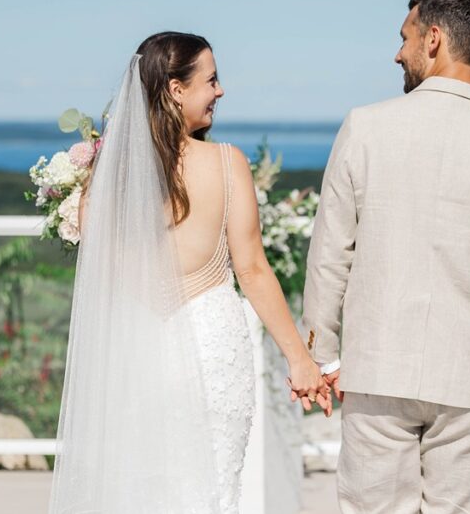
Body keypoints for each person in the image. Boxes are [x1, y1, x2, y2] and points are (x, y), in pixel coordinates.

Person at [48, 31, 330, 514]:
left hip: (135, 352)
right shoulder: (226, 163)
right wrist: (300, 360)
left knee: (139, 493)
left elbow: (107, 277)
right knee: (213, 494)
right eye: (212, 80)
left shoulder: (106, 176)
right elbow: (253, 270)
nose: (220, 91)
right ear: (177, 90)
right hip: (210, 348)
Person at [303, 0, 470, 514]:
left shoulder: (364, 128)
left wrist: (321, 355)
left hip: (376, 369)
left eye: (405, 38)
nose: (398, 53)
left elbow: (330, 254)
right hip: (469, 377)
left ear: (433, 38)